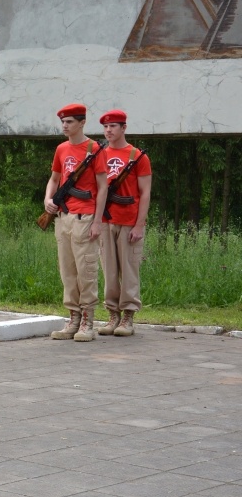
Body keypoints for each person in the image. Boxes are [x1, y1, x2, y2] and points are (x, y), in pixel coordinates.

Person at [43, 103, 108, 342]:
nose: (65, 125)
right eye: (63, 122)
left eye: (69, 121)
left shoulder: (95, 149)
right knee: (67, 271)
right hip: (64, 217)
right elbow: (54, 179)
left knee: (86, 270)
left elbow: (103, 187)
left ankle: (88, 322)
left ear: (82, 123)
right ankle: (73, 319)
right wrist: (48, 199)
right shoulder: (61, 148)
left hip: (86, 217)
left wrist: (98, 220)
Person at [96, 109, 152, 337]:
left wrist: (139, 225)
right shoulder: (99, 155)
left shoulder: (137, 156)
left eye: (113, 126)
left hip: (129, 220)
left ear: (124, 128)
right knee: (109, 269)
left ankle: (128, 315)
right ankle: (112, 314)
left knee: (129, 269)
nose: (108, 130)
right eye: (106, 127)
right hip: (104, 220)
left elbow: (145, 193)